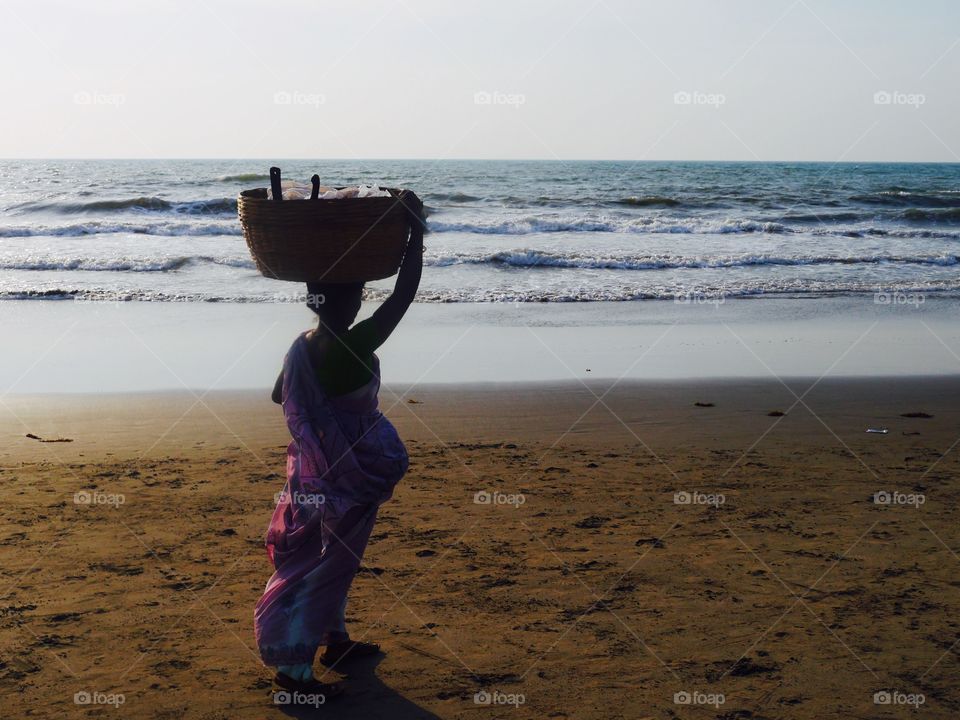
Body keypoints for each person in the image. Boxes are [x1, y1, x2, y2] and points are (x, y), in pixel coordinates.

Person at [254, 191, 425, 698]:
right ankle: (294, 672)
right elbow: (404, 296)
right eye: (357, 296)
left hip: (310, 472)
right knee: (331, 562)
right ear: (347, 302)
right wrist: (416, 234)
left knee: (326, 554)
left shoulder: (303, 346)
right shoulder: (354, 343)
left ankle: (336, 640)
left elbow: (278, 394)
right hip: (347, 473)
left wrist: (318, 412)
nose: (362, 302)